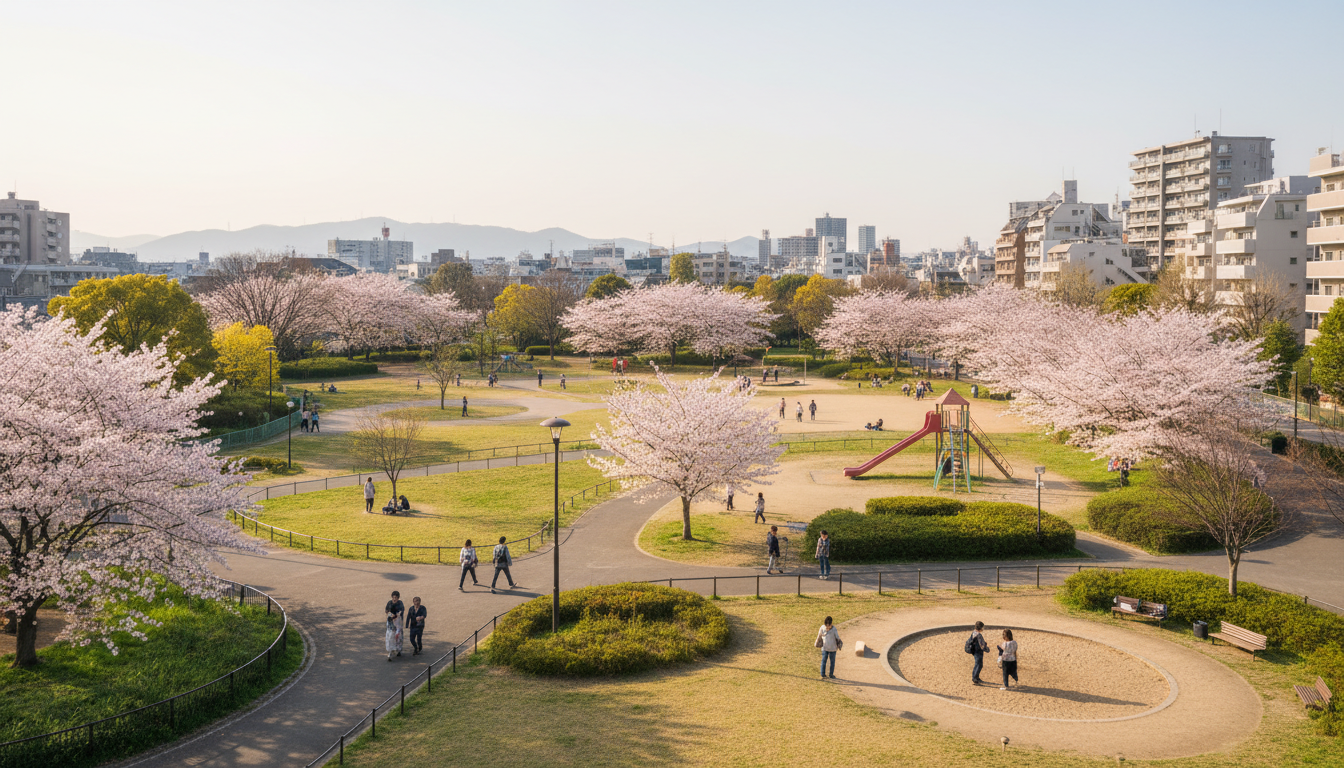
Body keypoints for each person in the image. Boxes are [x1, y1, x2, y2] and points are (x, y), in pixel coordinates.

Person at [967, 621, 989, 685]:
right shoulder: (979, 635)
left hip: (974, 651)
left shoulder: (974, 632)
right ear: (980, 628)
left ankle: (976, 677)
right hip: (978, 651)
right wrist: (987, 649)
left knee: (978, 664)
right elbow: (982, 645)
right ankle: (975, 678)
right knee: (979, 664)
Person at [384, 591, 405, 661]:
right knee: (390, 637)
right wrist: (389, 614)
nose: (394, 599)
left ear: (398, 598)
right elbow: (386, 611)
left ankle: (399, 650)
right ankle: (390, 651)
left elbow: (401, 612)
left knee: (398, 636)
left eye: (396, 597)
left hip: (398, 622)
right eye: (393, 597)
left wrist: (395, 616)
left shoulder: (400, 604)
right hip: (390, 624)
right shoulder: (389, 603)